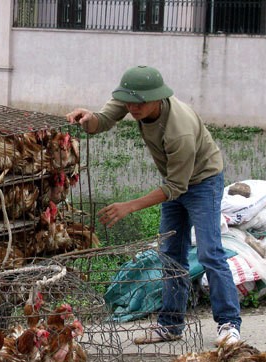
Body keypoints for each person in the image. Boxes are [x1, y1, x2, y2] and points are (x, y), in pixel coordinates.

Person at [66, 65, 241, 345]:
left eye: (139, 103)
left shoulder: (178, 129)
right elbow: (102, 121)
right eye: (129, 102)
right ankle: (170, 325)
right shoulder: (130, 99)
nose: (132, 108)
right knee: (171, 255)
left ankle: (229, 324)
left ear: (157, 98)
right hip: (175, 181)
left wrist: (130, 206)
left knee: (209, 253)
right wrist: (86, 119)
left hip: (202, 182)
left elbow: (175, 188)